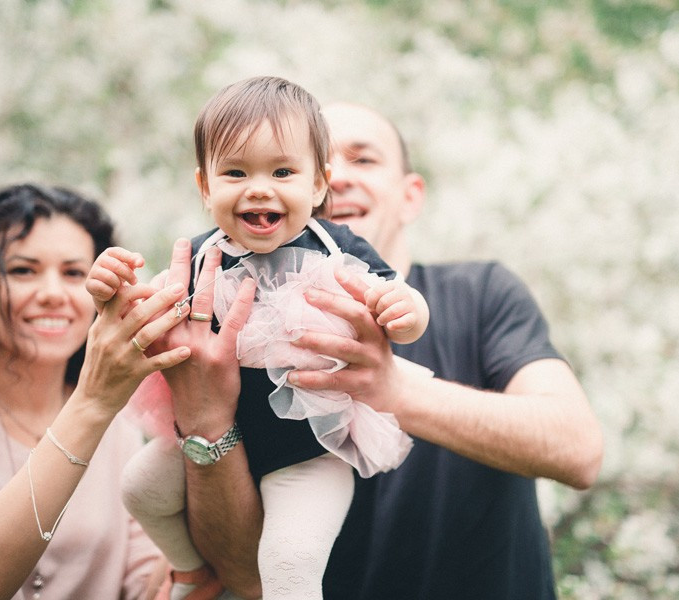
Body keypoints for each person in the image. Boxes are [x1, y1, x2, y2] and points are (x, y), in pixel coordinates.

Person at [162, 101, 605, 599]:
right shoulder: (235, 320)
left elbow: (579, 451)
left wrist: (391, 387)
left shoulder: (481, 293)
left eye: (364, 160)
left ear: (410, 196)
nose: (341, 178)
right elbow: (246, 578)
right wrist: (206, 423)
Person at [86, 77, 430, 600]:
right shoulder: (202, 256)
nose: (259, 188)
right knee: (139, 490)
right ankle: (191, 570)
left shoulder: (335, 250)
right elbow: (146, 312)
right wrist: (113, 289)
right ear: (206, 187)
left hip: (310, 450)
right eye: (236, 172)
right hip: (224, 437)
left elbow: (396, 296)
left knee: (289, 561)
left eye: (283, 171)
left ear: (319, 186)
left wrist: (406, 314)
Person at [0, 183, 197, 600]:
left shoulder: (118, 425)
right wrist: (93, 401)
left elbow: (149, 587)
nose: (52, 294)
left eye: (73, 274)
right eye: (23, 270)